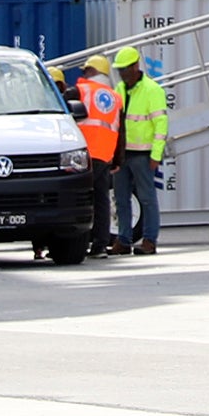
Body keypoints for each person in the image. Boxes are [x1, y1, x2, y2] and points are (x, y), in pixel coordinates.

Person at [112, 45, 170, 256]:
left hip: (143, 154)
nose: (123, 74)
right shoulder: (119, 89)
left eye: (125, 69)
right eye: (120, 70)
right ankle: (124, 240)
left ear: (136, 66)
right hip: (122, 154)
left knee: (147, 198)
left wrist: (156, 154)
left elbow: (161, 125)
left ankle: (149, 240)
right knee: (121, 198)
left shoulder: (152, 90)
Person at [68, 54, 120, 260]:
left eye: (85, 70)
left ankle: (78, 242)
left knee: (79, 198)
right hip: (105, 154)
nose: (83, 74)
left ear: (93, 71)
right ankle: (100, 245)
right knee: (101, 200)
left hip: (85, 153)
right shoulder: (115, 97)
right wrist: (117, 159)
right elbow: (120, 130)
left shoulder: (81, 90)